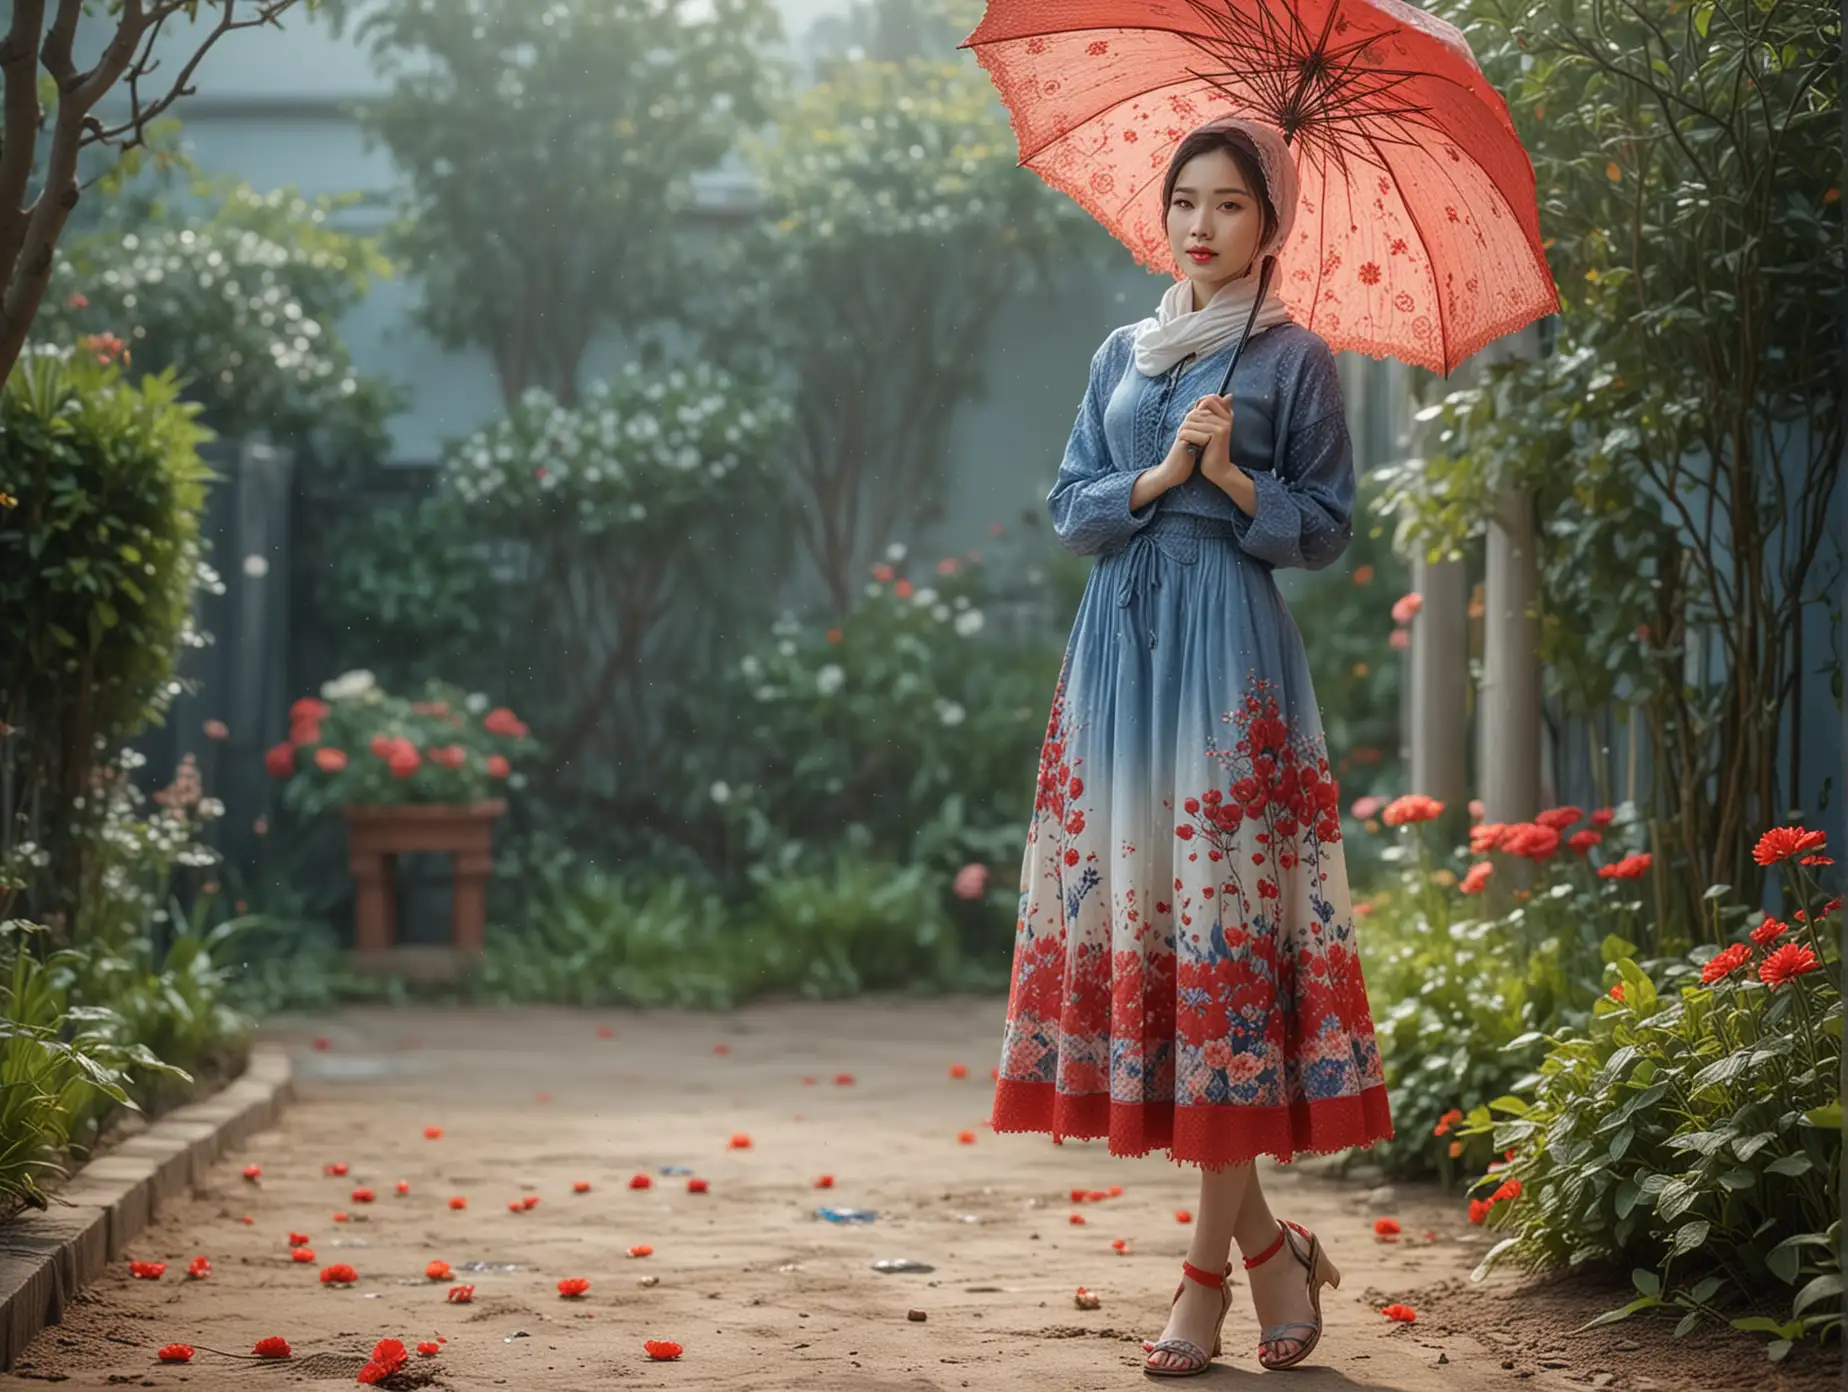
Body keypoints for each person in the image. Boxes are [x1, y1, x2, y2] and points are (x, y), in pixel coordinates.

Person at [989, 115, 1393, 1378]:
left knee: (1219, 953)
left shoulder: (1295, 359)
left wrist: (1233, 487)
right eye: (1185, 202)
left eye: (1228, 204)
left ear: (1269, 226)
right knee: (1157, 949)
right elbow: (1068, 506)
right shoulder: (1125, 347)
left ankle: (1208, 1281)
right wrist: (1162, 472)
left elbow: (1327, 529)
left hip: (1227, 662)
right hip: (1119, 653)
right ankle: (1275, 1252)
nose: (1201, 224)